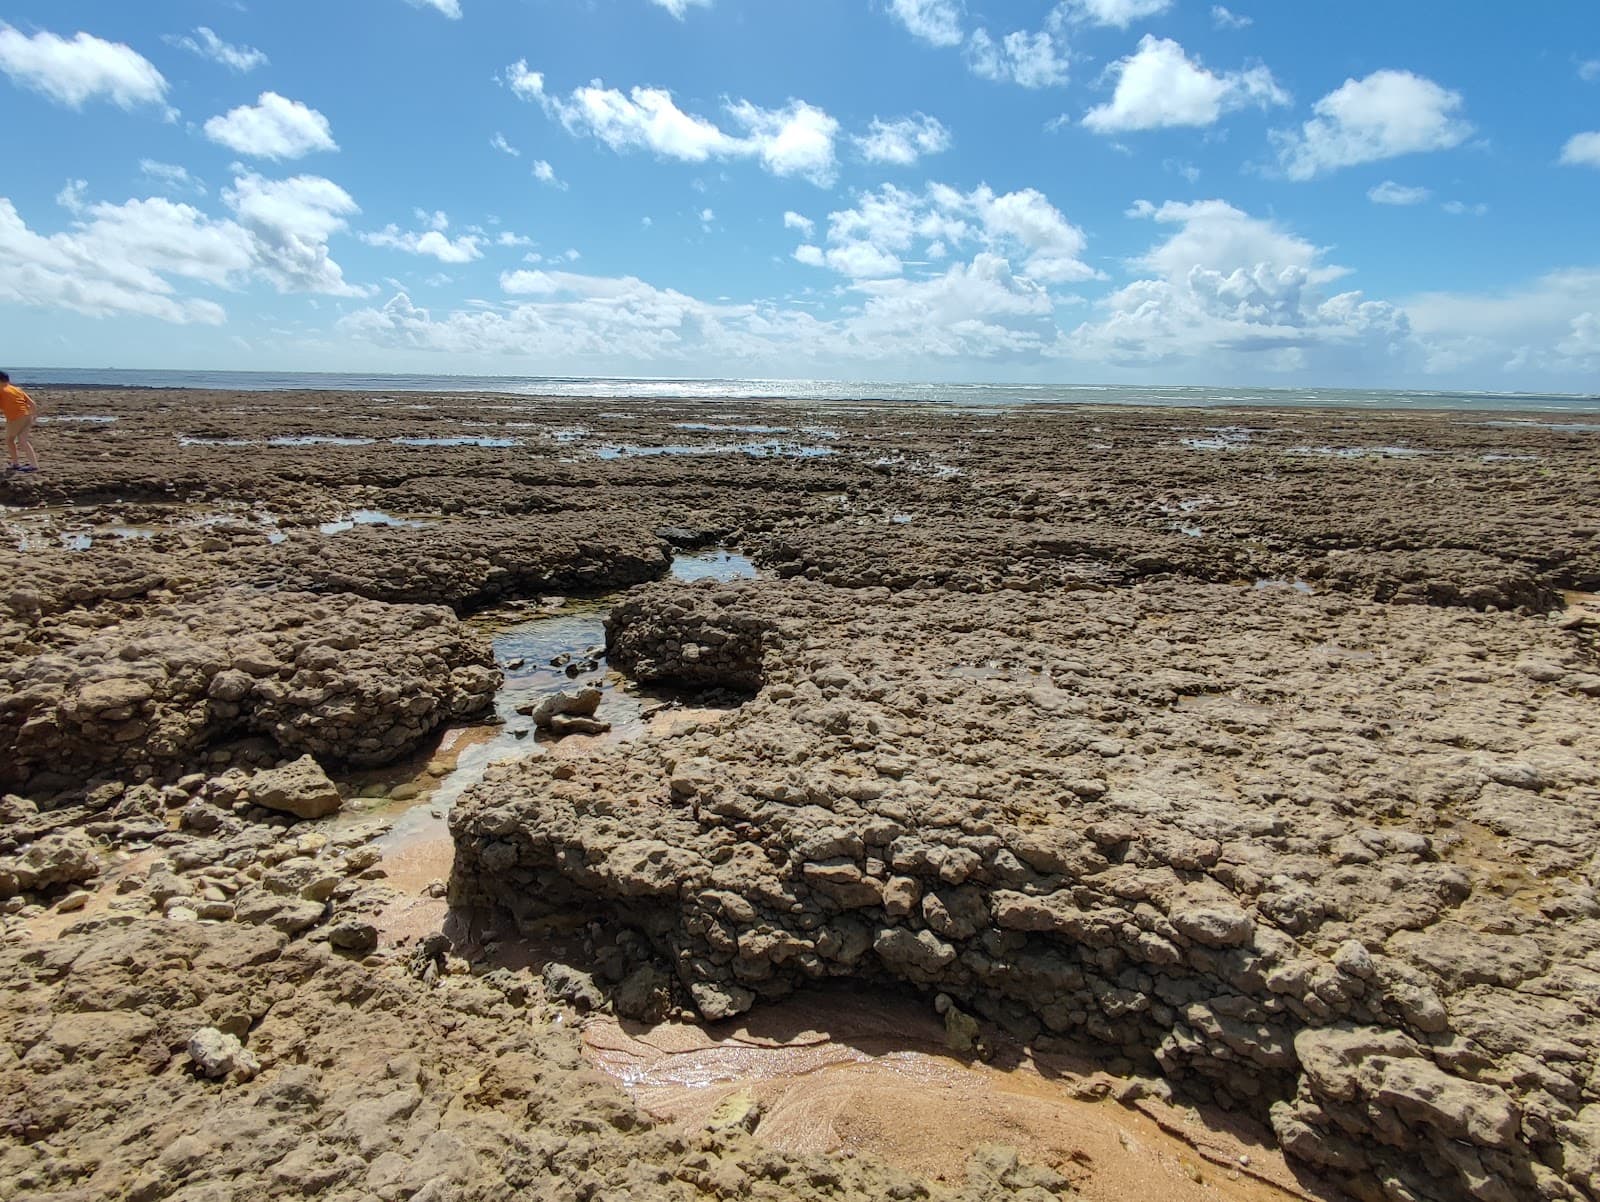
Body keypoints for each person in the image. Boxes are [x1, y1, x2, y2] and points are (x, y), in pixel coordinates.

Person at [0, 371, 38, 473]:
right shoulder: (17, 389)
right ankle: (33, 465)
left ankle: (16, 463)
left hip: (16, 417)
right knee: (23, 440)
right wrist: (34, 416)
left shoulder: (1, 390)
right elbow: (32, 403)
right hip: (27, 415)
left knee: (10, 439)